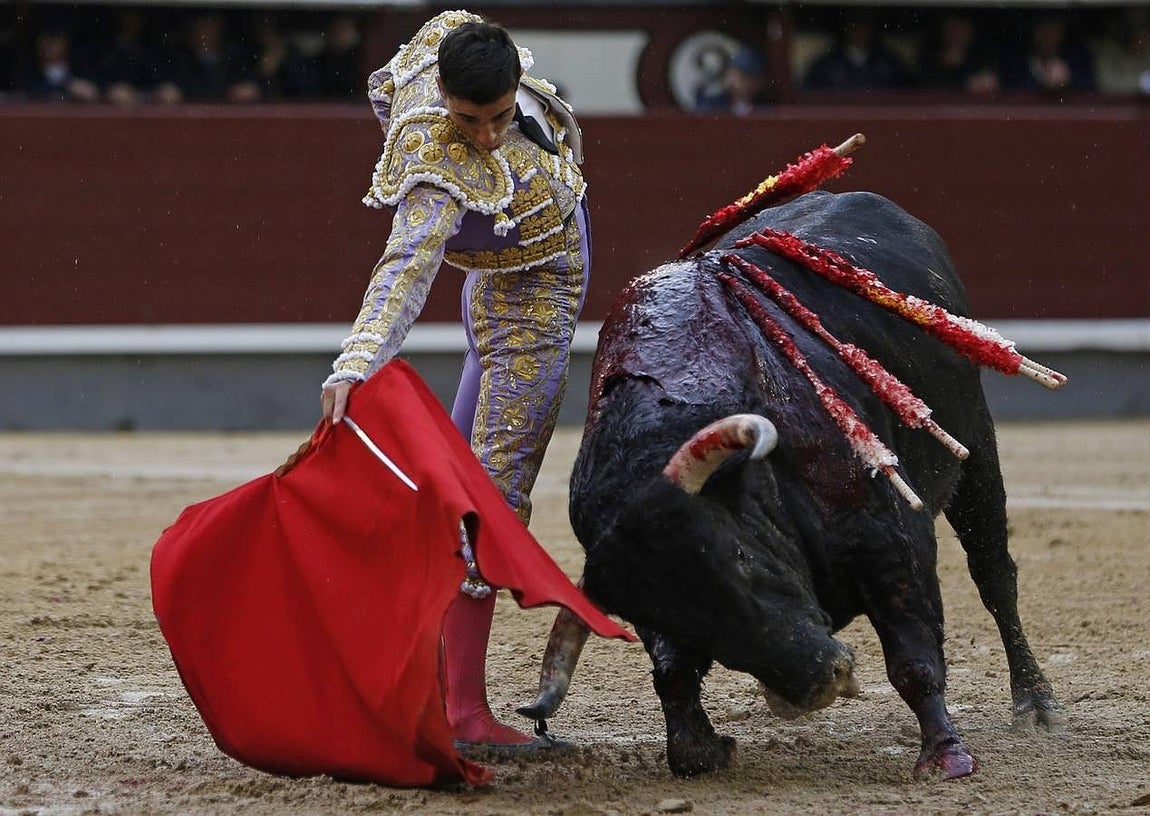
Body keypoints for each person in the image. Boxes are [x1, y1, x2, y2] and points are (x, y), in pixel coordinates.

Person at [320, 10, 590, 754]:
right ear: (441, 94)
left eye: (501, 115)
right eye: (470, 119)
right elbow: (403, 271)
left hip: (505, 292)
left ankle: (433, 687)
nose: (487, 136)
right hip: (528, 310)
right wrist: (356, 363)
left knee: (460, 501)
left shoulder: (451, 41)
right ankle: (464, 713)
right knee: (485, 509)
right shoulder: (434, 170)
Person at [802, 10, 912, 91]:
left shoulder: (889, 62)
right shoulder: (826, 65)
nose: (860, 31)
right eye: (855, 26)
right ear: (847, 29)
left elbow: (907, 90)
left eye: (865, 25)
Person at [695, 45, 773, 115]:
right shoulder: (711, 106)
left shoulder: (767, 109)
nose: (748, 83)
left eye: (754, 79)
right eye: (743, 76)